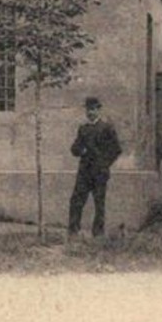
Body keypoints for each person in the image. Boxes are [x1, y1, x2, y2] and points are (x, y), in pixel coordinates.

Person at [69, 97, 122, 237]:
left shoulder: (106, 128)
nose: (90, 112)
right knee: (76, 200)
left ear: (99, 110)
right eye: (88, 110)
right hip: (84, 172)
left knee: (99, 203)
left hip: (100, 172)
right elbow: (74, 149)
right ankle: (73, 231)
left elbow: (116, 149)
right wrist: (81, 151)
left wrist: (104, 163)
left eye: (93, 109)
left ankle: (98, 233)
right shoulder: (83, 129)